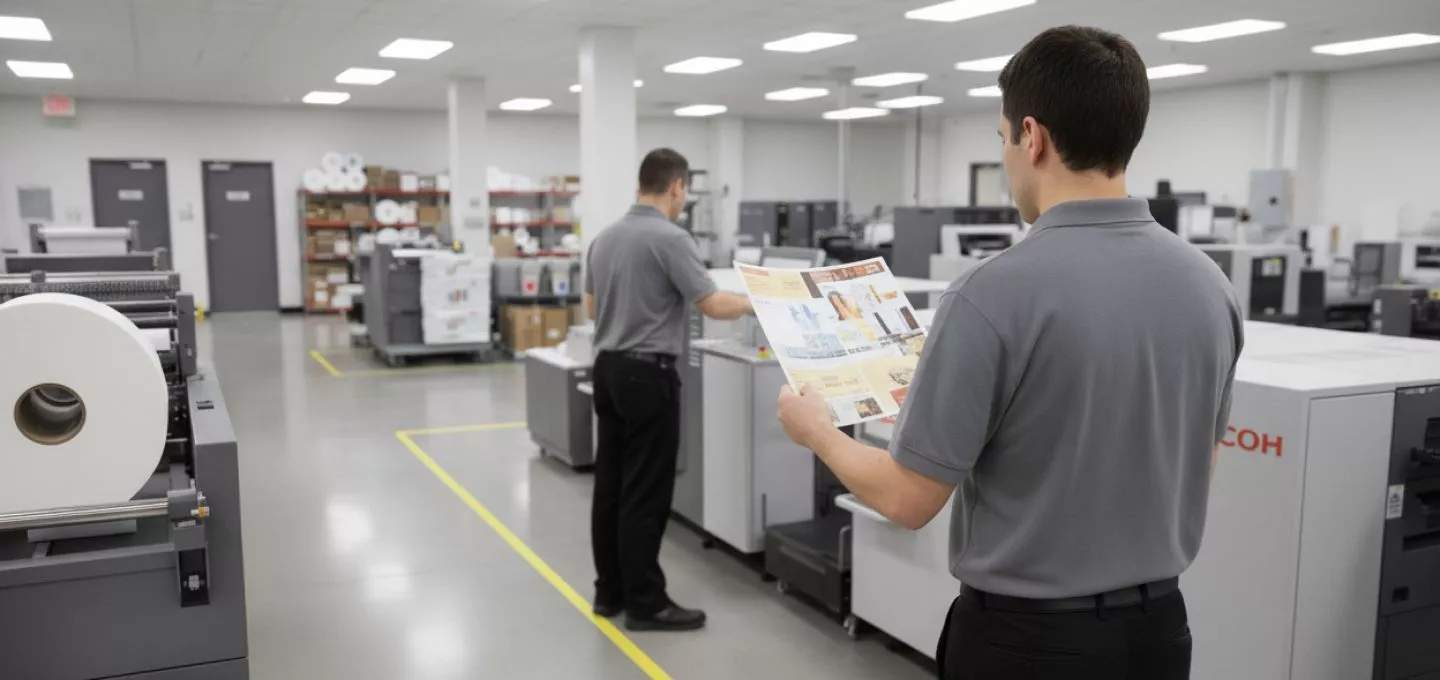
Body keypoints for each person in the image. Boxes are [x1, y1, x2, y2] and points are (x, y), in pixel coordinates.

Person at [776, 26, 1242, 679]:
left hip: (1029, 645)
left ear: (1033, 136)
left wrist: (818, 432)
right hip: (1159, 636)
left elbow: (910, 501)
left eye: (1002, 140)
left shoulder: (990, 293)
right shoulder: (1211, 288)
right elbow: (1197, 460)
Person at [584, 148, 753, 632]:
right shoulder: (670, 237)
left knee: (612, 487)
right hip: (648, 375)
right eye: (686, 190)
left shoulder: (605, 237)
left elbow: (591, 307)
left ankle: (609, 592)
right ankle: (645, 602)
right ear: (677, 186)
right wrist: (756, 303)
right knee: (646, 492)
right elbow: (713, 304)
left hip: (609, 369)